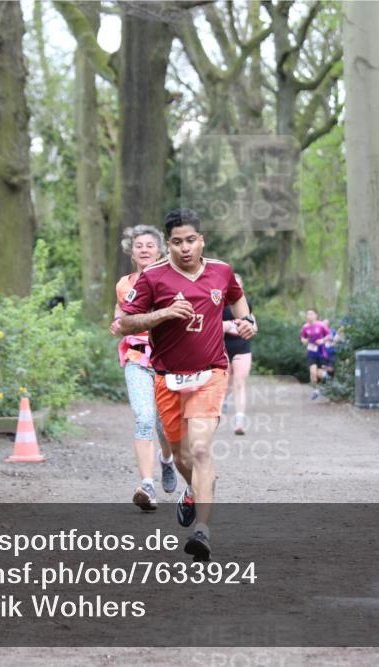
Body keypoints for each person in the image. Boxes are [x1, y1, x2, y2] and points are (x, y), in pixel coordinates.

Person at [119, 208, 255, 561]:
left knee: (199, 450)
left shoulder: (221, 271)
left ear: (202, 240)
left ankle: (202, 531)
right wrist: (163, 314)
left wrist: (247, 321)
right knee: (181, 455)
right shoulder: (152, 277)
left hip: (210, 372)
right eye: (177, 242)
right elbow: (125, 324)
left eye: (191, 240)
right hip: (167, 378)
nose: (184, 248)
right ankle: (196, 488)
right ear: (168, 244)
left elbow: (237, 298)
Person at [110, 225, 178, 512]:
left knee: (165, 426)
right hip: (137, 360)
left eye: (150, 245)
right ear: (131, 250)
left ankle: (166, 460)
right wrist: (117, 322)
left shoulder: (172, 281)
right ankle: (147, 484)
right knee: (144, 417)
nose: (145, 249)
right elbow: (121, 314)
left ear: (160, 249)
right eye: (139, 245)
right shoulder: (124, 284)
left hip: (167, 361)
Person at [222, 274, 255, 435]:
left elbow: (254, 325)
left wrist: (252, 328)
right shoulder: (220, 304)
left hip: (242, 347)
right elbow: (212, 326)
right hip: (224, 347)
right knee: (226, 384)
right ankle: (224, 402)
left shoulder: (246, 304)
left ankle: (239, 421)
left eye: (239, 284)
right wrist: (227, 325)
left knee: (239, 382)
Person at [300, 308, 331, 400]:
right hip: (311, 352)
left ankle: (325, 376)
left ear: (316, 315)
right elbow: (302, 338)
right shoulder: (305, 327)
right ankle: (316, 390)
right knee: (312, 372)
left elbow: (329, 335)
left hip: (322, 352)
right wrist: (305, 341)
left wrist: (322, 340)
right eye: (308, 314)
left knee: (320, 373)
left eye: (311, 314)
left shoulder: (321, 325)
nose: (309, 316)